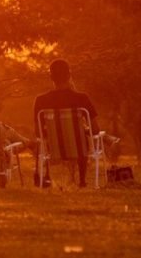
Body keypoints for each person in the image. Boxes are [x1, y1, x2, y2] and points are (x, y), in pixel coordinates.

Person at [32, 59, 98, 187]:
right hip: (79, 148)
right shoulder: (82, 98)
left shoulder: (40, 100)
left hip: (54, 148)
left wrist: (52, 133)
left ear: (51, 77)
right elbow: (94, 130)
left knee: (78, 138)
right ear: (69, 76)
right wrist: (81, 130)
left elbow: (38, 133)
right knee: (82, 139)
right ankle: (82, 180)